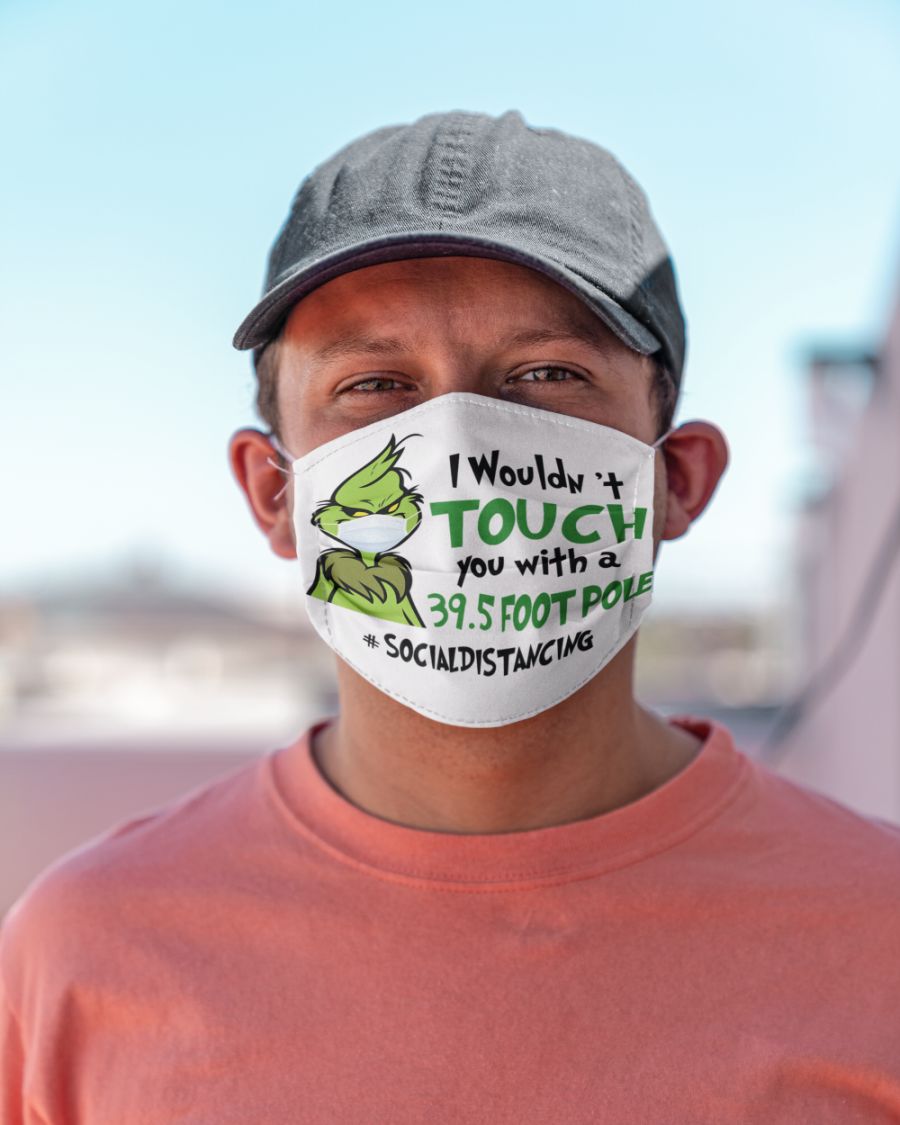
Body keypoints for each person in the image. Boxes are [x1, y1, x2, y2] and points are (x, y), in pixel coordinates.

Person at [2, 110, 900, 1124]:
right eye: (374, 384)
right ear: (273, 493)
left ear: (677, 480)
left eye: (548, 374)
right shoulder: (84, 954)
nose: (459, 442)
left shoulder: (881, 936)